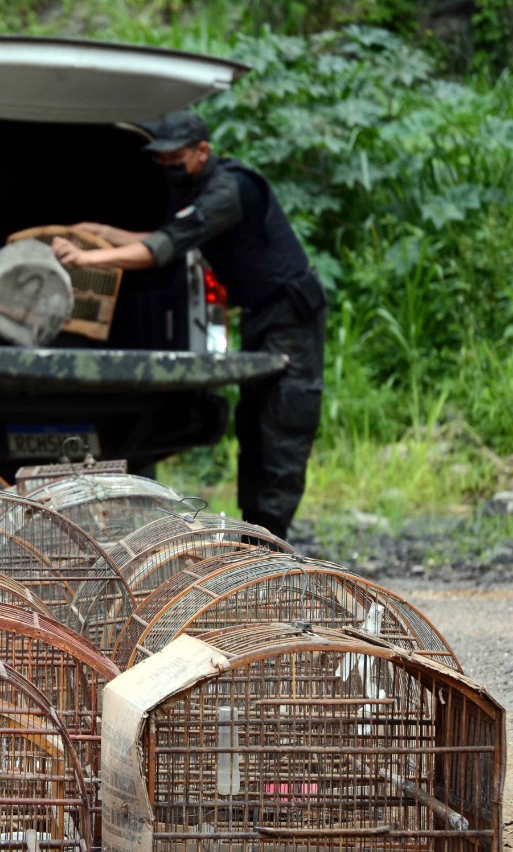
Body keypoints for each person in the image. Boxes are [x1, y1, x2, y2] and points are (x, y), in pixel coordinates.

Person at [52, 110, 326, 541]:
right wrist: (103, 231)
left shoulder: (229, 190)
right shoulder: (197, 189)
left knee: (282, 423)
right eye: (161, 158)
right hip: (262, 318)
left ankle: (270, 538)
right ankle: (257, 537)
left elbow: (159, 250)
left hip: (290, 316)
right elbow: (165, 236)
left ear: (203, 151)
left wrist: (87, 259)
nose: (167, 166)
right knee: (254, 424)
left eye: (175, 157)